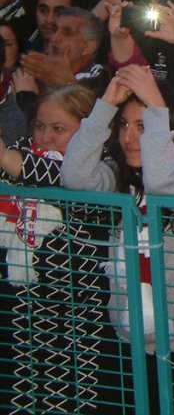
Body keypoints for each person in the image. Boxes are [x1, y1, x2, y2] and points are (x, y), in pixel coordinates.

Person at [60, 65, 174, 414]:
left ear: (168, 128)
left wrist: (157, 104)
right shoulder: (118, 177)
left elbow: (162, 183)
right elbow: (74, 176)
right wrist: (106, 104)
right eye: (123, 125)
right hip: (130, 344)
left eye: (142, 126)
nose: (128, 137)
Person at [0, 84, 112, 414]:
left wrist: (7, 158)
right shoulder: (22, 153)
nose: (45, 136)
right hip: (22, 304)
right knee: (20, 394)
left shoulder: (97, 167)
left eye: (58, 128)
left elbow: (58, 177)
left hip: (78, 313)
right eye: (39, 125)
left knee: (74, 398)